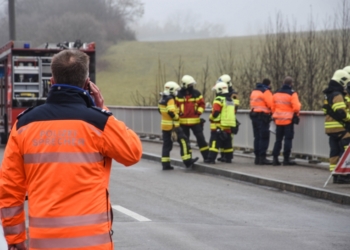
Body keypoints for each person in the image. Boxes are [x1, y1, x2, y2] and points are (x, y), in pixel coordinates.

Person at [0, 49, 143, 249]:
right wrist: (104, 110)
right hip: (93, 244)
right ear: (87, 84)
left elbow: (9, 189)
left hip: (44, 244)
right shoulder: (99, 122)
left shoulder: (23, 125)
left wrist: (15, 240)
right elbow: (133, 153)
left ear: (51, 82)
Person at [159, 81, 199, 170]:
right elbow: (171, 111)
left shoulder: (162, 99)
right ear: (171, 90)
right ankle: (187, 161)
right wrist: (177, 117)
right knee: (184, 142)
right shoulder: (170, 99)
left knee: (167, 145)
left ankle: (165, 164)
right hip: (173, 127)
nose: (177, 92)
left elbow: (160, 111)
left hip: (165, 126)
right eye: (176, 90)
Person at [322, 69, 350, 184]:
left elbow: (325, 110)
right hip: (341, 128)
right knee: (345, 151)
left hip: (330, 128)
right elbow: (341, 113)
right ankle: (344, 175)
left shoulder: (327, 94)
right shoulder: (337, 95)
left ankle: (335, 175)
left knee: (334, 151)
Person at [175, 75, 209, 161]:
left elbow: (202, 104)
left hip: (195, 122)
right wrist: (178, 114)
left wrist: (198, 112)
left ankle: (207, 157)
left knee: (201, 139)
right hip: (182, 123)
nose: (191, 86)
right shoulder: (178, 95)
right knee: (186, 142)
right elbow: (174, 106)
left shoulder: (196, 93)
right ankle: (188, 159)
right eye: (190, 85)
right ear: (185, 85)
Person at [271, 76, 301, 166]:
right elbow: (296, 108)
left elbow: (272, 107)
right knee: (288, 139)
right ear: (291, 84)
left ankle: (275, 158)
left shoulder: (275, 94)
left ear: (283, 83)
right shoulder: (292, 94)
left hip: (278, 120)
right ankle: (286, 159)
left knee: (278, 140)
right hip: (288, 120)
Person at [205, 81, 236, 164]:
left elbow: (216, 112)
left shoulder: (218, 100)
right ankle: (228, 158)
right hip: (228, 125)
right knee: (227, 142)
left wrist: (210, 117)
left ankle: (211, 159)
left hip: (218, 125)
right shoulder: (230, 100)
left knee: (214, 142)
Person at [216, 74, 240, 162]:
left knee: (229, 138)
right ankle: (223, 155)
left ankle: (228, 156)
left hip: (230, 119)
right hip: (223, 118)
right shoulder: (223, 92)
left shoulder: (233, 94)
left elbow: (235, 107)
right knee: (222, 137)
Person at [249, 78, 274, 165]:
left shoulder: (254, 91)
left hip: (254, 116)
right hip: (263, 117)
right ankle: (262, 157)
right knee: (264, 137)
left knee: (257, 137)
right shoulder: (266, 91)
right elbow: (271, 104)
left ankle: (257, 158)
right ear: (269, 84)